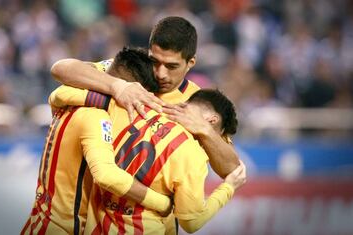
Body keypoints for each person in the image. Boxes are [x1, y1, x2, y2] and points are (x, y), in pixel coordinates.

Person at [50, 16, 239, 179]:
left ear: (191, 63)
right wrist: (118, 86)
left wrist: (204, 130)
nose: (160, 73)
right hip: (102, 210)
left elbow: (232, 169)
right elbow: (61, 68)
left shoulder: (198, 101)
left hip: (154, 216)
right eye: (155, 61)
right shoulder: (130, 72)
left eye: (171, 66)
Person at [54, 83, 246, 234]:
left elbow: (61, 94)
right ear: (212, 121)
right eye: (216, 136)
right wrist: (228, 188)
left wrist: (116, 85)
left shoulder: (137, 108)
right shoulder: (193, 155)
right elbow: (191, 222)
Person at [21, 48, 172, 235]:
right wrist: (164, 204)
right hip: (64, 227)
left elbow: (57, 95)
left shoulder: (77, 92)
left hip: (42, 220)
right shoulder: (96, 117)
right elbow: (106, 175)